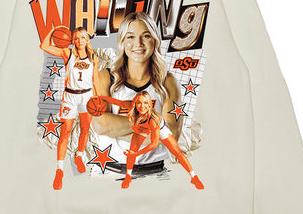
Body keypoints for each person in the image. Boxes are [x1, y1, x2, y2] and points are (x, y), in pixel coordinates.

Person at [92, 11, 182, 176]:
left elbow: (171, 135)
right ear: (122, 41)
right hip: (109, 172)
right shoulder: (105, 77)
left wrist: (117, 130)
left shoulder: (167, 81)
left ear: (155, 40)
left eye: (146, 36)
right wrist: (153, 128)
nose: (138, 43)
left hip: (155, 174)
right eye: (130, 37)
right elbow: (101, 125)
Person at [100, 92, 203, 189]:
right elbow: (116, 102)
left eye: (145, 103)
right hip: (143, 128)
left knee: (177, 153)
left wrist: (137, 153)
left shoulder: (153, 120)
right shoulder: (132, 107)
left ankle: (194, 177)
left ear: (149, 104)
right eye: (139, 102)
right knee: (132, 151)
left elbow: (154, 144)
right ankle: (128, 176)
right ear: (135, 103)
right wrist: (101, 98)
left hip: (160, 130)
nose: (142, 106)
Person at [40, 26, 99, 189]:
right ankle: (59, 170)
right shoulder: (68, 53)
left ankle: (79, 155)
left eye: (82, 38)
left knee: (85, 128)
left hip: (87, 96)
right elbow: (44, 46)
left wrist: (99, 98)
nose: (79, 41)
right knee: (65, 132)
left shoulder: (93, 57)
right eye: (76, 38)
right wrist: (54, 30)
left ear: (87, 39)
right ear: (73, 41)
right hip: (70, 97)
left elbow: (95, 79)